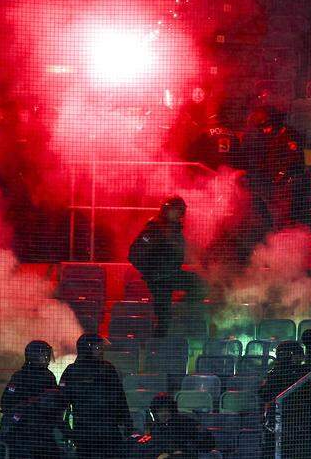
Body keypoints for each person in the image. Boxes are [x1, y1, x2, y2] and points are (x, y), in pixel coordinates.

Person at [129, 196, 205, 338]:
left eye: (180, 211)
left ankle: (179, 310)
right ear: (166, 210)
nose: (178, 214)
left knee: (201, 285)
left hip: (171, 275)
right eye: (175, 210)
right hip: (159, 281)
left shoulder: (175, 230)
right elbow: (134, 254)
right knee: (164, 320)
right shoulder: (155, 228)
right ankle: (156, 349)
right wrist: (151, 273)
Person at [59, 333, 131, 459]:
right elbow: (61, 403)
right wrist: (66, 430)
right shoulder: (72, 371)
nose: (101, 351)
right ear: (87, 349)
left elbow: (119, 398)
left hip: (105, 431)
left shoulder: (107, 369)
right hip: (86, 432)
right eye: (97, 348)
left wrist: (127, 423)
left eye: (101, 348)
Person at [0, 340, 64, 459]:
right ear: (34, 356)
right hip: (30, 430)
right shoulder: (42, 376)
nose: (47, 358)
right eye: (44, 354)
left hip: (35, 429)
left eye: (47, 354)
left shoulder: (40, 375)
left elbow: (5, 402)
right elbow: (7, 402)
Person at [137, 392, 215, 458]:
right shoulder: (154, 427)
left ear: (172, 410)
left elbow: (207, 445)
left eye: (167, 410)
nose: (164, 414)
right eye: (160, 411)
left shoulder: (186, 423)